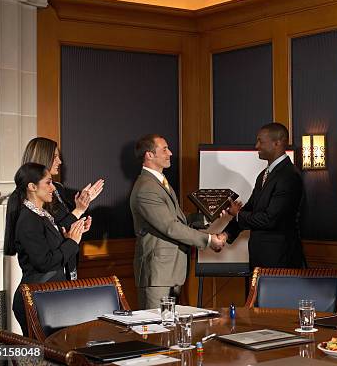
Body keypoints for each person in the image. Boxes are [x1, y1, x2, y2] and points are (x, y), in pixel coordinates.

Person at [130, 134, 229, 309]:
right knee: (157, 328)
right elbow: (170, 227)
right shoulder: (147, 188)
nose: (170, 153)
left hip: (169, 271)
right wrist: (208, 240)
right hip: (158, 274)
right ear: (149, 155)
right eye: (164, 149)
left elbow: (177, 219)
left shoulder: (158, 183)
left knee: (169, 327)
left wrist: (207, 216)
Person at [4, 163, 91, 334]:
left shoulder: (42, 215)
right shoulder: (28, 220)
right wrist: (72, 242)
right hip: (35, 300)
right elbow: (44, 262)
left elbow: (53, 251)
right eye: (48, 183)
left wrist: (72, 235)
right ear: (32, 187)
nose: (53, 188)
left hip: (50, 297)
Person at [218, 122, 305, 269]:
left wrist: (238, 214)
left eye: (260, 141)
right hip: (261, 260)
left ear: (277, 143)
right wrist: (225, 235)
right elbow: (250, 210)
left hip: (280, 261)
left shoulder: (289, 176)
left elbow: (270, 219)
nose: (256, 146)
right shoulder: (263, 176)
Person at [19, 137, 104, 226]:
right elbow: (53, 233)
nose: (59, 162)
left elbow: (65, 222)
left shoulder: (58, 187)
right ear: (42, 158)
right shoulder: (32, 195)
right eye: (55, 157)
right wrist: (79, 210)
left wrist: (82, 204)